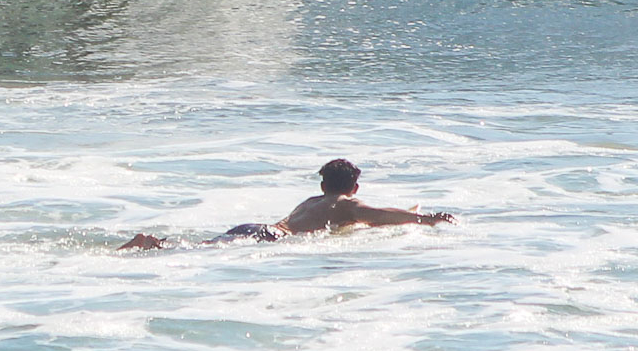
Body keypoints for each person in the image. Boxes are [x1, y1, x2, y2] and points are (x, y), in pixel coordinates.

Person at [117, 158, 456, 250]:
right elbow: (379, 215)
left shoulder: (312, 200)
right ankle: (150, 244)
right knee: (198, 250)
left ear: (322, 184)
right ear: (355, 187)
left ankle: (152, 243)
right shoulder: (346, 204)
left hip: (257, 228)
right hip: (269, 237)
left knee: (202, 246)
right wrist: (426, 219)